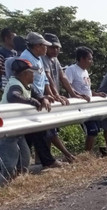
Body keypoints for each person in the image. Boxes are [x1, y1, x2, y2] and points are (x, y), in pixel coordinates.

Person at [0, 59, 48, 184]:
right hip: (7, 130)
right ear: (24, 74)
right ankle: (4, 187)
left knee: (25, 159)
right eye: (32, 73)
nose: (34, 75)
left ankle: (17, 183)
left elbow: (37, 93)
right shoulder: (15, 84)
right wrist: (30, 101)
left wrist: (43, 98)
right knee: (9, 164)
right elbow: (13, 96)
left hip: (17, 129)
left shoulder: (26, 85)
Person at [20, 32, 61, 169]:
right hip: (28, 98)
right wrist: (41, 97)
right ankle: (46, 161)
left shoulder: (38, 58)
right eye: (44, 46)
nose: (46, 48)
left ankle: (33, 162)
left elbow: (44, 80)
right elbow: (27, 82)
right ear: (37, 46)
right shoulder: (26, 59)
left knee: (35, 133)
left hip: (38, 99)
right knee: (37, 132)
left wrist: (51, 95)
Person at [42, 33, 81, 163]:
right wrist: (56, 95)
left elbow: (63, 77)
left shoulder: (55, 60)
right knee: (50, 131)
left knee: (49, 131)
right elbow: (48, 78)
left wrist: (74, 93)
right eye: (52, 47)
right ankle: (67, 155)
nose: (56, 50)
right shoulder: (43, 59)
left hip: (54, 97)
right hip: (46, 97)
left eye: (57, 47)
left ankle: (45, 160)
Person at [65, 46, 107, 152]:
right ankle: (87, 154)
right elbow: (67, 87)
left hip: (89, 105)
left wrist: (96, 94)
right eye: (89, 59)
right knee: (91, 130)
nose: (91, 62)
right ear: (82, 58)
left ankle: (89, 152)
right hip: (80, 106)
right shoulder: (71, 70)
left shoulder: (85, 72)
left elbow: (86, 90)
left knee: (96, 129)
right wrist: (79, 96)